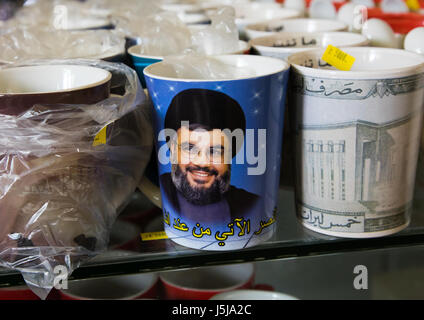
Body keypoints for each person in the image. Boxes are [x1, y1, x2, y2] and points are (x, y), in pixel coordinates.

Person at [160, 88, 259, 224]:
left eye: (215, 152)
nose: (202, 162)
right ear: (172, 149)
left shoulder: (253, 204)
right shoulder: (161, 191)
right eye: (190, 148)